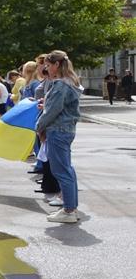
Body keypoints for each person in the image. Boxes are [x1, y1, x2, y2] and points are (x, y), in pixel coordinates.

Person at [37, 50, 83, 224]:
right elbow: (58, 107)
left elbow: (53, 111)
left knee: (61, 171)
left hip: (58, 130)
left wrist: (39, 127)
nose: (46, 69)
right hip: (66, 129)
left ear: (57, 65)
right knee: (67, 170)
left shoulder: (61, 84)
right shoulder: (70, 82)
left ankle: (69, 210)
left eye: (48, 65)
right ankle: (72, 208)